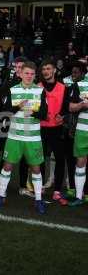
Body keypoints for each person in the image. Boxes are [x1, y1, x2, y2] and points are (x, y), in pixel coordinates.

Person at [0, 62, 48, 215]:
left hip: (33, 138)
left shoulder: (40, 91)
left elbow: (44, 114)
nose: (29, 76)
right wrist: (19, 107)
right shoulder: (13, 90)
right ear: (20, 74)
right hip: (14, 137)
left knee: (36, 169)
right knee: (7, 166)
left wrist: (33, 113)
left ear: (34, 75)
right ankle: (1, 196)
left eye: (32, 74)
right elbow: (6, 112)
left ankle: (38, 199)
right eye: (26, 73)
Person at [38, 60, 68, 205]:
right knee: (40, 158)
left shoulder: (63, 87)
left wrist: (63, 114)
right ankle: (41, 187)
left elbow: (67, 107)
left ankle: (57, 191)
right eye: (44, 69)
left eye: (48, 68)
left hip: (57, 128)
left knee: (60, 159)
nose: (46, 71)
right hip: (41, 127)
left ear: (54, 70)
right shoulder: (37, 87)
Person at [67, 65, 88, 206]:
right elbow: (70, 107)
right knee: (80, 163)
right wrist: (82, 104)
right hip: (82, 129)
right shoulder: (79, 85)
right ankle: (79, 196)